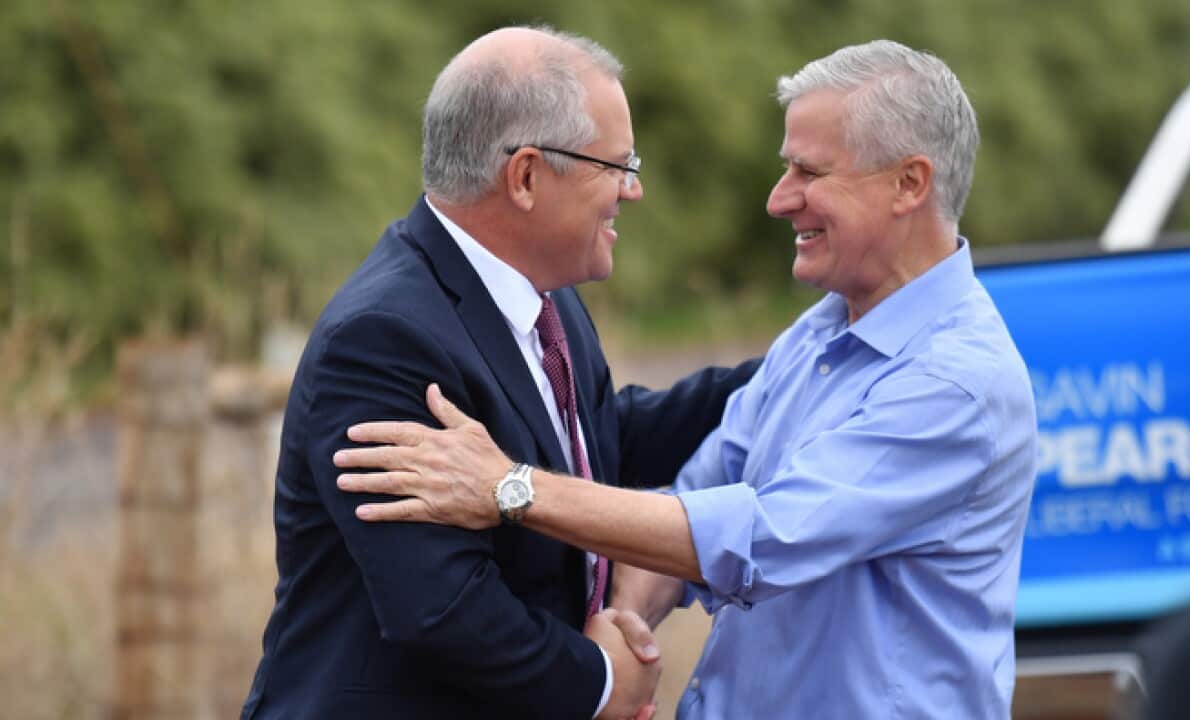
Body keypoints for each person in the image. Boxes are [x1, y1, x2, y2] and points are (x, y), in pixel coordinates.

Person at [335, 40, 1037, 718]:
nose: (778, 199)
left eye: (809, 172)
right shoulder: (822, 331)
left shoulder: (955, 385)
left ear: (909, 184)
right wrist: (624, 635)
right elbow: (697, 497)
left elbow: (757, 539)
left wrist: (510, 488)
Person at [241, 25, 757, 720]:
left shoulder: (544, 293)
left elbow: (593, 440)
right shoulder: (381, 340)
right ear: (526, 177)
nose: (632, 191)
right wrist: (602, 682)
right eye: (617, 165)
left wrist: (797, 373)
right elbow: (440, 607)